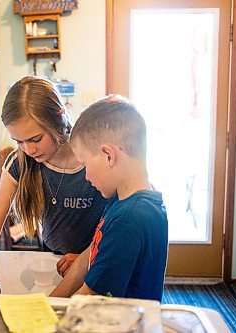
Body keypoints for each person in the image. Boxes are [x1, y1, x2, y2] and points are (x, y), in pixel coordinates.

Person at [0, 76, 107, 293]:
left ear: (59, 117)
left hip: (98, 262)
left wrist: (87, 257)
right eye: (19, 141)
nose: (29, 150)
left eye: (35, 139)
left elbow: (118, 225)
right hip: (53, 263)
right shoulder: (19, 164)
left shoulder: (92, 157)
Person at [49, 94, 168, 302]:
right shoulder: (124, 199)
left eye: (85, 164)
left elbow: (89, 301)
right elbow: (94, 256)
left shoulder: (129, 219)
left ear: (108, 155)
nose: (86, 176)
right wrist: (49, 302)